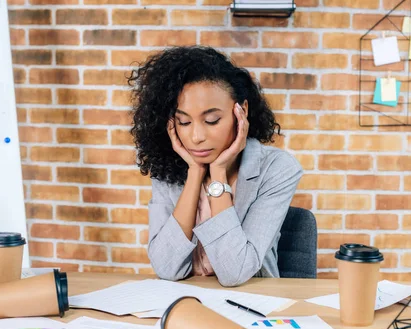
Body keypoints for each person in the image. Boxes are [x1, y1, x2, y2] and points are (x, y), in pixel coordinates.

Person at [129, 46, 303, 287]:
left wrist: (218, 172)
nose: (196, 136)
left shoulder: (277, 169)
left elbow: (235, 272)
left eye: (212, 120)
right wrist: (195, 173)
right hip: (188, 303)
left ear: (241, 111)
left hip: (254, 302)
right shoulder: (167, 167)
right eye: (184, 121)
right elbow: (166, 268)